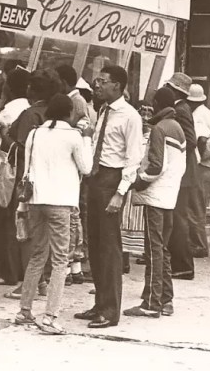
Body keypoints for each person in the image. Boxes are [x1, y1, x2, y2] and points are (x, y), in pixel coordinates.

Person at [15, 94, 93, 334]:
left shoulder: (35, 133)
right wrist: (88, 139)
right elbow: (87, 168)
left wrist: (23, 206)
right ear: (69, 113)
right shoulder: (73, 137)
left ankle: (24, 310)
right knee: (60, 260)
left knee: (38, 254)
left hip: (36, 200)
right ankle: (50, 315)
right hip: (61, 202)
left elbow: (26, 169)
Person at [74, 65, 143, 329]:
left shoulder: (130, 116)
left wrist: (119, 193)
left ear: (118, 85)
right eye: (96, 81)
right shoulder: (102, 111)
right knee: (95, 244)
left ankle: (110, 310)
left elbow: (133, 159)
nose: (97, 85)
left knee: (110, 247)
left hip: (112, 181)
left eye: (102, 81)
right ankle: (99, 303)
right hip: (96, 177)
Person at [123, 86, 186, 319]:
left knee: (153, 250)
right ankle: (165, 300)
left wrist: (138, 182)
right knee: (162, 249)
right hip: (169, 196)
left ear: (159, 104)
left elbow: (156, 166)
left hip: (155, 196)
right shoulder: (177, 128)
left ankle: (151, 303)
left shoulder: (160, 129)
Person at [4, 68, 62, 299]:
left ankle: (29, 283)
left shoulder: (30, 114)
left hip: (28, 179)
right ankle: (42, 281)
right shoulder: (55, 113)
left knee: (25, 231)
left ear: (31, 89)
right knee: (44, 232)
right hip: (51, 178)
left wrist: (4, 136)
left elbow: (22, 149)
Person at [0, 66, 31, 286]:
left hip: (7, 171)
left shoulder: (11, 108)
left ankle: (7, 271)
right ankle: (18, 270)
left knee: (4, 222)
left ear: (9, 87)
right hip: (23, 171)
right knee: (17, 220)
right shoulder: (30, 107)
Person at [55, 64, 92, 286]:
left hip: (75, 163)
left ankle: (72, 265)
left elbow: (84, 126)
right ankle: (73, 266)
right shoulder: (70, 98)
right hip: (72, 161)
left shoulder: (76, 100)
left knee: (73, 216)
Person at [163, 72, 199, 279]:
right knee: (176, 219)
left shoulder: (181, 110)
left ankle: (184, 265)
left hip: (183, 173)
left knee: (178, 219)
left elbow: (190, 140)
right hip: (182, 172)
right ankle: (180, 263)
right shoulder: (180, 108)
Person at [188, 84, 210, 258]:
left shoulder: (198, 115)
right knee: (198, 203)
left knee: (196, 204)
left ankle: (199, 244)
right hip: (208, 164)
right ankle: (198, 242)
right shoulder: (206, 112)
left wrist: (196, 156)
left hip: (202, 165)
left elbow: (201, 138)